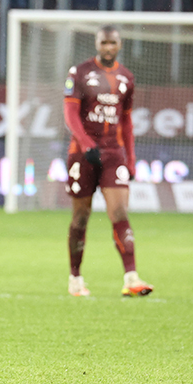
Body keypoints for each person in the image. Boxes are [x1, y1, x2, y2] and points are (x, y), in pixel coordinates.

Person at [62, 26, 151, 298]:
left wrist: (131, 159)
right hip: (83, 154)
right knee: (81, 217)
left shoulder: (127, 77)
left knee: (120, 212)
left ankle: (131, 277)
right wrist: (87, 144)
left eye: (113, 43)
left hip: (113, 154)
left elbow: (126, 121)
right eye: (104, 42)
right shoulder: (80, 73)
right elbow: (70, 113)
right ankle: (75, 278)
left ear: (119, 45)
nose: (108, 47)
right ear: (97, 43)